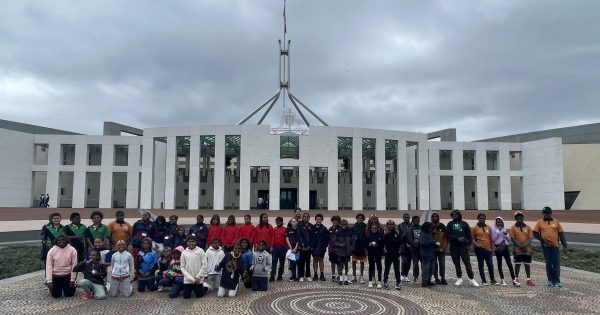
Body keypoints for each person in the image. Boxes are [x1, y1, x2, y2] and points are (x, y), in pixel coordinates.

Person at [533, 206, 568, 287]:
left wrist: (565, 245)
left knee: (555, 263)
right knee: (548, 263)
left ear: (551, 213)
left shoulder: (556, 222)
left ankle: (557, 280)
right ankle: (550, 280)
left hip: (555, 246)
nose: (546, 215)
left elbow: (561, 234)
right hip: (545, 246)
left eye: (547, 213)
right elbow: (535, 233)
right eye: (544, 213)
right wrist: (543, 240)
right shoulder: (539, 222)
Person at [446, 210, 478, 286]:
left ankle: (471, 278)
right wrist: (457, 238)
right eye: (453, 214)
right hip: (454, 247)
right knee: (456, 263)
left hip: (463, 247)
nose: (454, 215)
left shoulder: (464, 224)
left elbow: (469, 235)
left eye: (456, 214)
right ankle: (459, 278)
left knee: (467, 263)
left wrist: (468, 244)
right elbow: (447, 234)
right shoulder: (450, 224)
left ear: (459, 215)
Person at [509, 211, 535, 287]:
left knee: (527, 264)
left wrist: (525, 246)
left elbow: (530, 238)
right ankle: (516, 278)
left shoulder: (528, 227)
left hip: (527, 250)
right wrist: (520, 246)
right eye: (518, 218)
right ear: (515, 219)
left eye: (521, 218)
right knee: (517, 264)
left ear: (523, 218)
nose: (519, 219)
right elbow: (513, 238)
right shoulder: (513, 228)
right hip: (517, 250)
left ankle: (528, 279)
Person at [472, 213, 497, 285]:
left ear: (485, 219)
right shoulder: (474, 228)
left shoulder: (488, 227)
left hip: (488, 249)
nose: (481, 219)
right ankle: (483, 280)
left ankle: (492, 280)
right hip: (479, 249)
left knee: (490, 264)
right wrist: (477, 244)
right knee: (481, 264)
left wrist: (493, 248)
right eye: (480, 218)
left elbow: (491, 239)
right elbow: (472, 239)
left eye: (483, 218)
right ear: (478, 219)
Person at [492, 217, 516, 286]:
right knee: (499, 264)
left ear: (503, 223)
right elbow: (494, 239)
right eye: (498, 222)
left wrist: (506, 234)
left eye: (501, 222)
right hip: (498, 248)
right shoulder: (494, 230)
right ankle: (502, 280)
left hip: (505, 248)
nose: (499, 224)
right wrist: (498, 233)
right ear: (496, 223)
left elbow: (509, 240)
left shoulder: (504, 230)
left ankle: (514, 279)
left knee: (509, 264)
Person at [334, 219, 355, 285]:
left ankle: (345, 278)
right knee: (340, 265)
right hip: (340, 251)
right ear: (340, 224)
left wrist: (351, 248)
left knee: (346, 265)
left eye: (345, 224)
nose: (344, 226)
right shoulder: (338, 232)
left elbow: (353, 241)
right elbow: (334, 241)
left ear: (347, 224)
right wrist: (339, 244)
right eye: (343, 224)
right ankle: (340, 278)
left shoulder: (350, 232)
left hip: (348, 252)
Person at [383, 220, 402, 290]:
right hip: (388, 254)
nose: (391, 226)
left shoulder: (396, 232)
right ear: (387, 225)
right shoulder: (385, 232)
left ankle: (398, 282)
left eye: (392, 224)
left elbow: (400, 241)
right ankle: (385, 281)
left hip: (396, 253)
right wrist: (393, 241)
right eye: (389, 224)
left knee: (397, 269)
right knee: (387, 269)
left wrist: (393, 241)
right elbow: (384, 241)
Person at [310, 213, 329, 281]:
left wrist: (325, 246)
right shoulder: (312, 228)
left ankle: (322, 274)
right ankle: (315, 274)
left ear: (322, 220)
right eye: (317, 219)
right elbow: (310, 238)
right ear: (315, 220)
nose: (319, 220)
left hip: (321, 247)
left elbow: (327, 238)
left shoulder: (324, 229)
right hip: (314, 247)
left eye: (320, 219)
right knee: (315, 260)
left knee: (321, 260)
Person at [431, 212, 448, 285]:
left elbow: (445, 238)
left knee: (442, 264)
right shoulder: (429, 226)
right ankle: (436, 278)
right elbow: (427, 237)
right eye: (433, 216)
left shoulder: (442, 226)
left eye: (436, 216)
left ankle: (443, 278)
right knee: (434, 265)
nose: (435, 218)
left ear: (438, 217)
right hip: (433, 250)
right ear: (432, 218)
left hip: (441, 249)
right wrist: (432, 233)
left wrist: (443, 248)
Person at [366, 222, 384, 288]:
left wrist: (377, 245)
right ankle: (370, 281)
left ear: (377, 229)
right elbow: (365, 245)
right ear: (371, 229)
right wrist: (369, 245)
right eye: (373, 228)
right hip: (371, 254)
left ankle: (379, 282)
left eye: (375, 228)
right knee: (371, 267)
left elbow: (382, 245)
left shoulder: (380, 235)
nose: (374, 229)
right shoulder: (368, 235)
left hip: (378, 254)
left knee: (379, 268)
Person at [351, 213, 367, 284]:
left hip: (362, 246)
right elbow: (351, 237)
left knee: (362, 262)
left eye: (361, 218)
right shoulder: (353, 227)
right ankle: (354, 276)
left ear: (363, 219)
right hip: (355, 247)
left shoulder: (366, 227)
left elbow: (367, 236)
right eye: (358, 218)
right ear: (356, 218)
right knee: (354, 262)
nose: (360, 219)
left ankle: (361, 276)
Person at [297, 212, 314, 282]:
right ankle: (301, 275)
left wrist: (309, 246)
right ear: (303, 217)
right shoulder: (300, 225)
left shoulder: (311, 226)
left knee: (308, 262)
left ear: (309, 218)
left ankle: (308, 275)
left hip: (309, 247)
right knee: (301, 262)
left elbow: (312, 237)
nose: (306, 218)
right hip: (302, 247)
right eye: (305, 216)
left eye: (307, 216)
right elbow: (299, 236)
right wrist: (302, 246)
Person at [270, 217, 287, 282]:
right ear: (276, 222)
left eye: (280, 221)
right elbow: (272, 239)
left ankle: (280, 275)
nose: (279, 222)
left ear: (282, 222)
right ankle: (272, 275)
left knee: (282, 263)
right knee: (274, 262)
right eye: (277, 221)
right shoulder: (274, 229)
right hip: (275, 248)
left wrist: (286, 247)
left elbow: (286, 239)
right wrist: (271, 246)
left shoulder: (285, 229)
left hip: (282, 248)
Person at [420, 222, 437, 287]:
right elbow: (422, 243)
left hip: (431, 254)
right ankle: (424, 282)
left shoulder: (430, 233)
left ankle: (428, 280)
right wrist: (432, 242)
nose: (431, 229)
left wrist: (434, 243)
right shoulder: (423, 234)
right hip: (425, 254)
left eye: (431, 228)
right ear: (426, 228)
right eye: (429, 228)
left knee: (432, 269)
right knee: (426, 269)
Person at [407, 216, 422, 283]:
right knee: (415, 264)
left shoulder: (422, 228)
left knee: (423, 263)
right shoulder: (410, 228)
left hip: (421, 248)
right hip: (414, 249)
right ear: (412, 221)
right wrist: (414, 244)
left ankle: (424, 276)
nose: (416, 221)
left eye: (417, 220)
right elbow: (410, 238)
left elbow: (424, 236)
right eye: (415, 220)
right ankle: (416, 276)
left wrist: (420, 243)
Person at [398, 213, 412, 282]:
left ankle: (406, 275)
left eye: (407, 217)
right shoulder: (400, 225)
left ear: (409, 218)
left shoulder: (411, 225)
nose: (406, 218)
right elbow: (399, 236)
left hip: (410, 246)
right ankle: (402, 274)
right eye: (405, 217)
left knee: (409, 262)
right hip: (403, 246)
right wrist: (404, 234)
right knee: (404, 262)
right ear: (403, 218)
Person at [327, 216, 341, 282]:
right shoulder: (330, 229)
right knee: (332, 262)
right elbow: (328, 239)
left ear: (339, 222)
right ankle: (333, 274)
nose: (335, 222)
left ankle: (339, 275)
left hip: (338, 249)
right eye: (334, 220)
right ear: (332, 221)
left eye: (337, 221)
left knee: (339, 263)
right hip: (331, 249)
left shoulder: (340, 229)